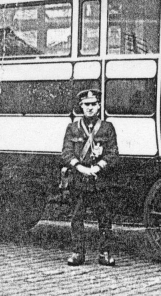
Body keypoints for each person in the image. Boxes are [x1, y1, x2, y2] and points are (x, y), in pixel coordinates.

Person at [61, 89, 119, 267]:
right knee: (77, 217)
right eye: (87, 105)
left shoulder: (107, 127)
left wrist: (98, 167)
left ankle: (105, 253)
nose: (90, 108)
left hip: (100, 180)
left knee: (104, 218)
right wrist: (80, 168)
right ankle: (78, 252)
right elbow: (66, 152)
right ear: (81, 106)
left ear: (99, 106)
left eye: (93, 104)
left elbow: (113, 153)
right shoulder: (73, 127)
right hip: (79, 179)